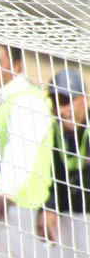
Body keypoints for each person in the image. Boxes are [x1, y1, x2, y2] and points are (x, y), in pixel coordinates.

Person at [0, 41, 54, 220]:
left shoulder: (28, 101)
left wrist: (3, 192)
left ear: (17, 66)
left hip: (24, 217)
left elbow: (20, 152)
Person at [38, 69, 90, 240]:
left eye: (66, 101)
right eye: (55, 102)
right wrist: (49, 207)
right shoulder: (59, 132)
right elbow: (60, 183)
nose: (60, 110)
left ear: (86, 100)